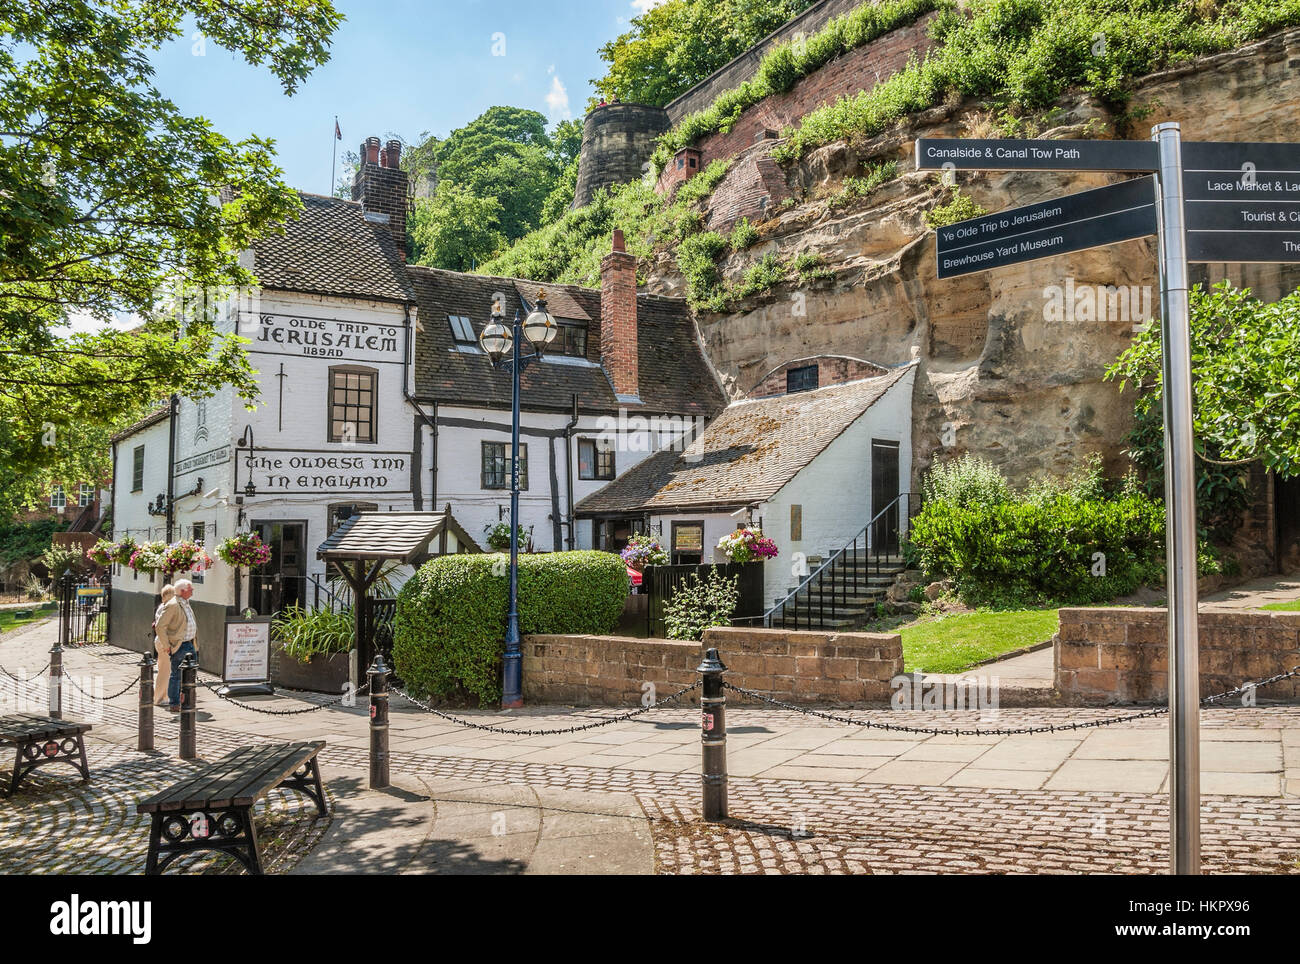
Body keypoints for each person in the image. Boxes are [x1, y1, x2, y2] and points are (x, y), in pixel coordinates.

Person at [154, 578, 198, 713]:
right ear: (183, 591)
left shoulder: (185, 602)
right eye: (190, 588)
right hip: (179, 645)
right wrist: (166, 645)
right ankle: (175, 703)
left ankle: (187, 699)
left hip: (190, 643)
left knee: (190, 674)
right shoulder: (173, 604)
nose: (193, 590)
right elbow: (160, 626)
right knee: (176, 675)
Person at [151, 585, 175, 706]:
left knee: (163, 669)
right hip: (164, 642)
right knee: (165, 671)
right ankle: (160, 698)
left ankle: (163, 695)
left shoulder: (162, 607)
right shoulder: (166, 608)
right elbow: (163, 626)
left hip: (160, 641)